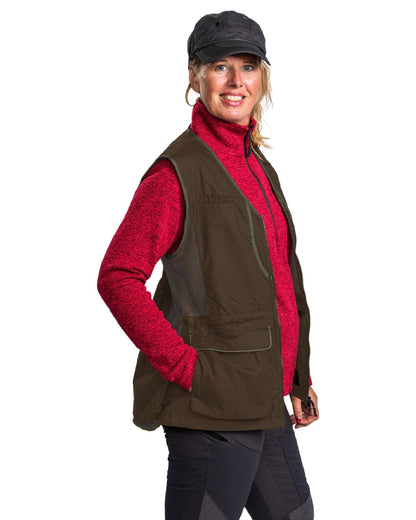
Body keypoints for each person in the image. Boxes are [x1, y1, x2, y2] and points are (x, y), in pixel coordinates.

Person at [97, 10, 319, 520]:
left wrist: (297, 376)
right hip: (210, 406)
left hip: (262, 397)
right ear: (195, 77)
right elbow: (118, 276)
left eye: (249, 66)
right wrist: (184, 366)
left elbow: (277, 282)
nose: (236, 80)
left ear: (263, 78)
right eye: (220, 66)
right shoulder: (177, 173)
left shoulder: (255, 163)